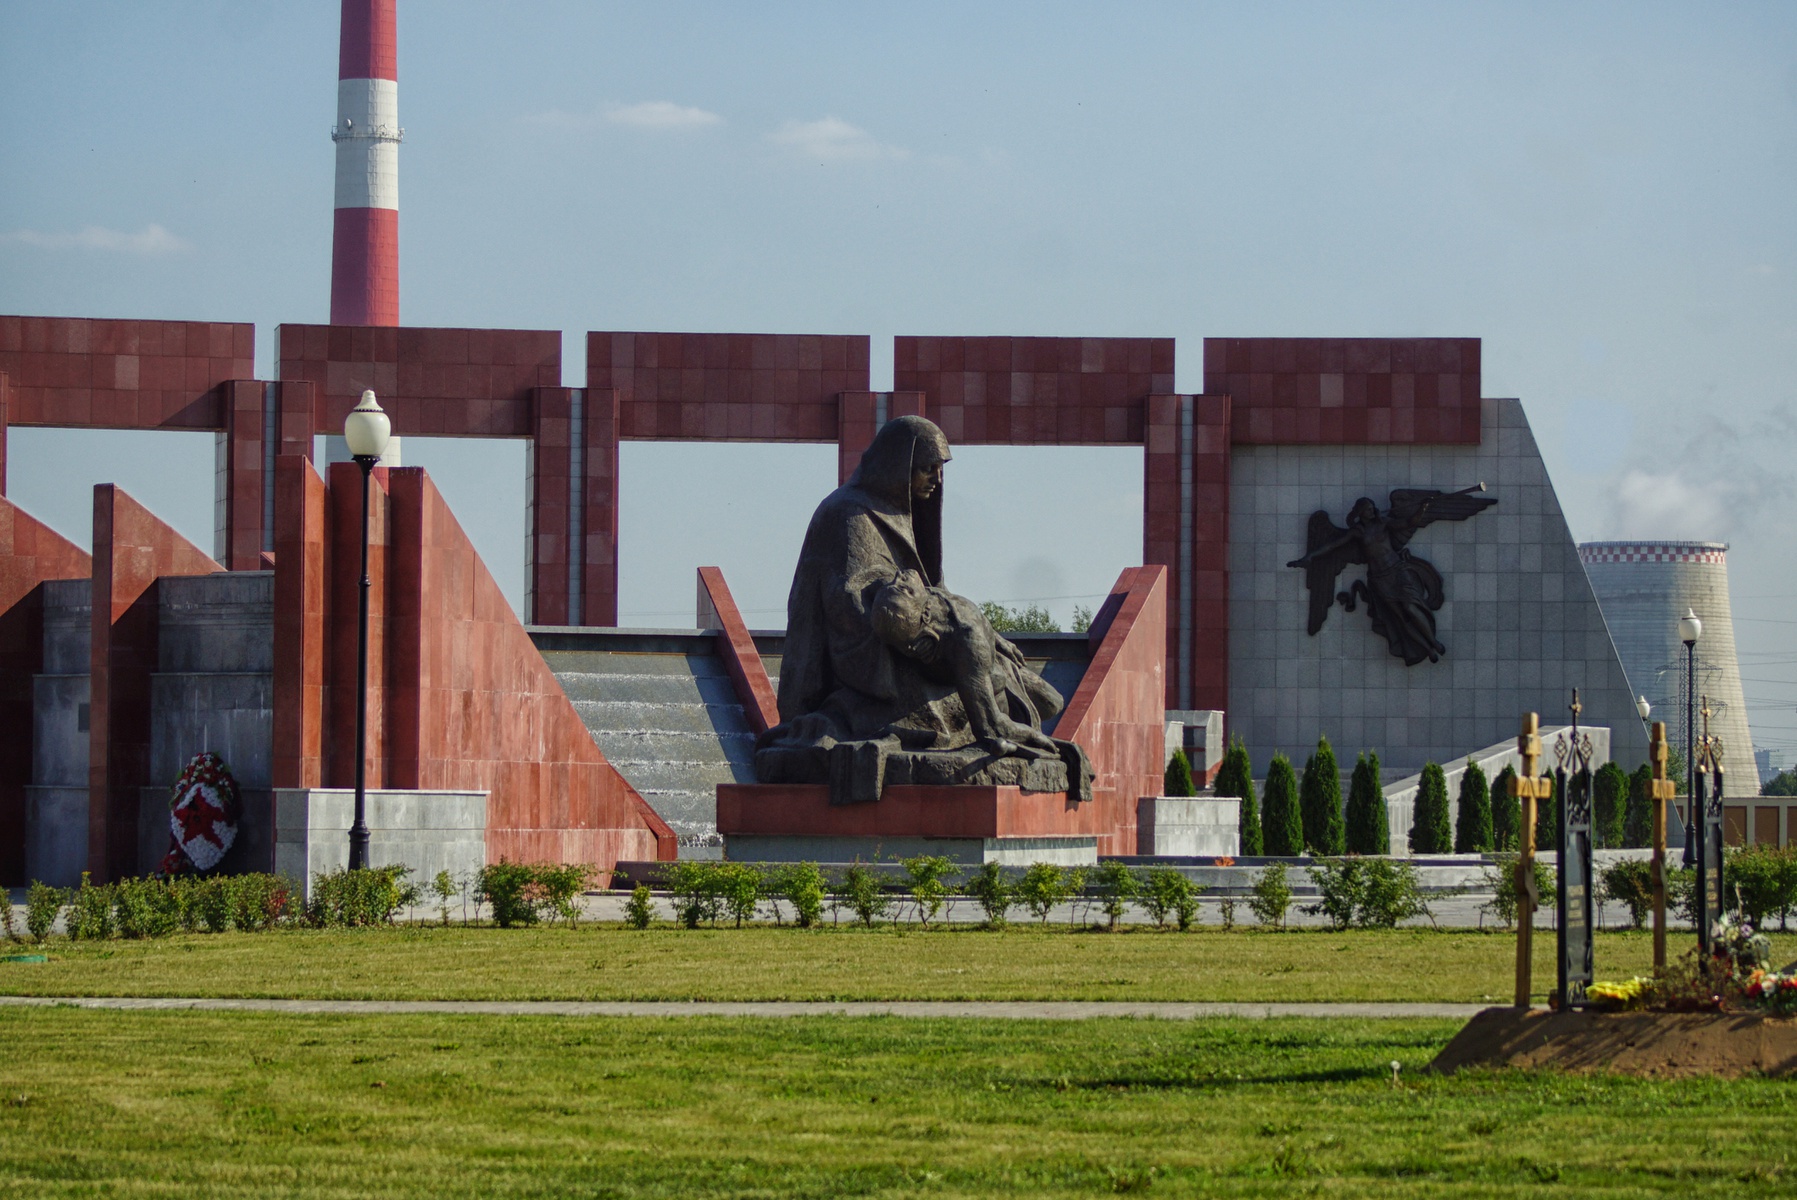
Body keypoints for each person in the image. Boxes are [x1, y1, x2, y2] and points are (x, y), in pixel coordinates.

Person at [756, 415, 1084, 803]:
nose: (936, 480)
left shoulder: (906, 513)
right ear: (898, 465)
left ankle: (995, 715)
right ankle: (987, 727)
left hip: (929, 636)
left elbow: (935, 590)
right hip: (881, 654)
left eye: (940, 470)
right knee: (962, 696)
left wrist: (990, 636)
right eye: (927, 469)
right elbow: (845, 600)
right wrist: (908, 627)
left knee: (1038, 696)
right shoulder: (845, 513)